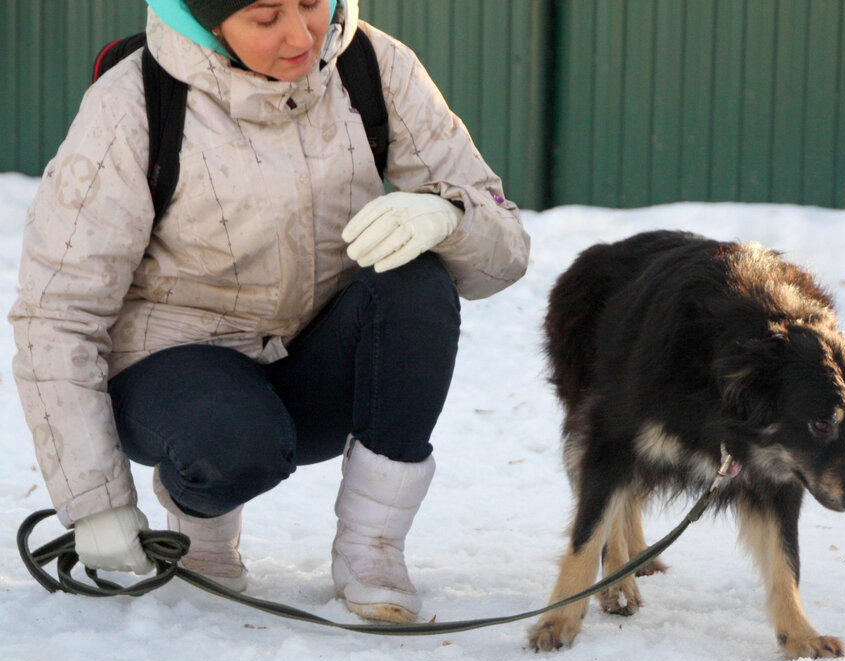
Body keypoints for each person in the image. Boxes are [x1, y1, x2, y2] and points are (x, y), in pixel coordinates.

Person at [9, 0, 529, 624]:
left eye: (311, 3)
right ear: (210, 21)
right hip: (174, 371)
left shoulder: (370, 63)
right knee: (230, 446)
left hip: (315, 360)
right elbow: (57, 312)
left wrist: (451, 216)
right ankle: (200, 533)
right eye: (265, 18)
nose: (300, 34)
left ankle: (373, 549)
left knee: (416, 281)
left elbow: (504, 239)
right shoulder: (134, 104)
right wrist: (94, 503)